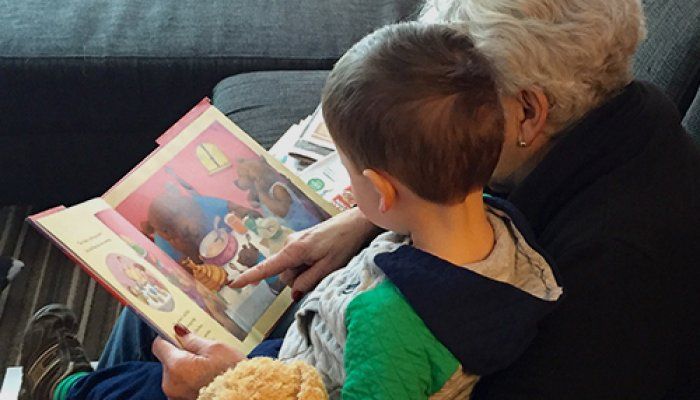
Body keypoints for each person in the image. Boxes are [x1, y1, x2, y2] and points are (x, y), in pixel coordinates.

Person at [20, 0, 700, 398]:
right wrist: (361, 218)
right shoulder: (607, 120)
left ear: (524, 114)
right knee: (166, 303)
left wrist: (232, 386)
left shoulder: (622, 269)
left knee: (158, 358)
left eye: (465, 97)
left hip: (326, 372)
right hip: (370, 312)